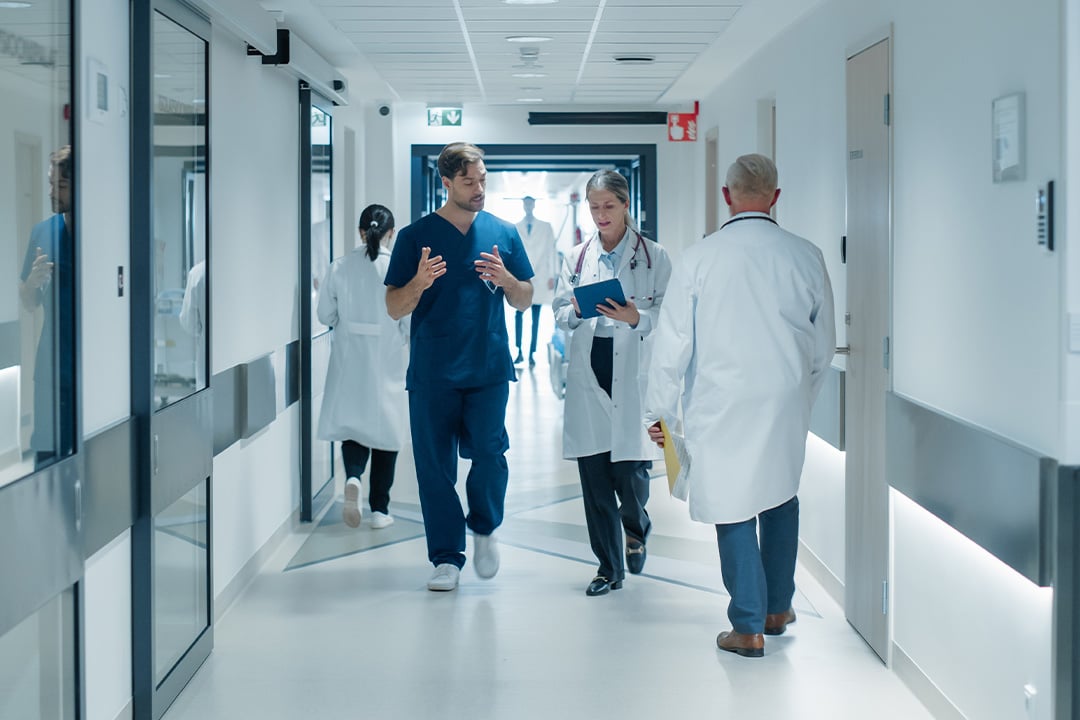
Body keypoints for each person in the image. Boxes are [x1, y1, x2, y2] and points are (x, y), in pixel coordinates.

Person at [643, 154, 835, 656]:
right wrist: (801, 398)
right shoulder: (807, 255)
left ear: (727, 196)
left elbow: (672, 345)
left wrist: (658, 413)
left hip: (720, 399)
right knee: (780, 495)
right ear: (776, 197)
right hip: (784, 398)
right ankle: (777, 608)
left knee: (730, 502)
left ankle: (747, 625)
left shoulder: (700, 258)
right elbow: (823, 348)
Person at [385, 142, 534, 592]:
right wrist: (419, 282)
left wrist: (508, 280)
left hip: (488, 367)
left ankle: (484, 526)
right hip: (433, 371)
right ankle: (446, 557)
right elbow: (394, 307)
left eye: (483, 179)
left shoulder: (503, 232)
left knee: (489, 454)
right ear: (447, 183)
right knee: (434, 468)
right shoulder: (415, 236)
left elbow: (525, 298)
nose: (479, 188)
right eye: (469, 181)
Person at [553, 170, 671, 597]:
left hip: (633, 369)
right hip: (591, 368)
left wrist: (637, 317)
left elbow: (671, 317)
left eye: (608, 206)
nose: (601, 215)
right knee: (595, 479)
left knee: (632, 476)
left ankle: (636, 528)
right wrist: (575, 310)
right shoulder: (576, 257)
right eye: (594, 207)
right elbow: (559, 311)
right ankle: (608, 568)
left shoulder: (655, 257)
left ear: (625, 205)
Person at [316, 205, 409, 530]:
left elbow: (325, 315)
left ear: (360, 231)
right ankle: (380, 509)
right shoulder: (398, 269)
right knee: (388, 431)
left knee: (352, 426)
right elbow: (408, 322)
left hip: (349, 359)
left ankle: (353, 477)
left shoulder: (339, 267)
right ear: (391, 234)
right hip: (387, 360)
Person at [18, 145, 75, 469]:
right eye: (51, 183)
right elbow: (29, 303)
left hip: (93, 371)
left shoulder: (103, 235)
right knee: (47, 460)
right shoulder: (42, 233)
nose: (52, 192)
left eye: (61, 186)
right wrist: (32, 283)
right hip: (51, 372)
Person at [513, 195, 556, 368]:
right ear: (523, 205)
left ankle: (531, 353)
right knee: (518, 314)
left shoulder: (546, 227)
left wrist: (552, 275)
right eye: (526, 203)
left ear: (534, 205)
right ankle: (519, 351)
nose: (528, 206)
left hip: (540, 276)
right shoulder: (515, 227)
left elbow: (552, 251)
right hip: (521, 277)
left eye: (531, 203)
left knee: (535, 318)